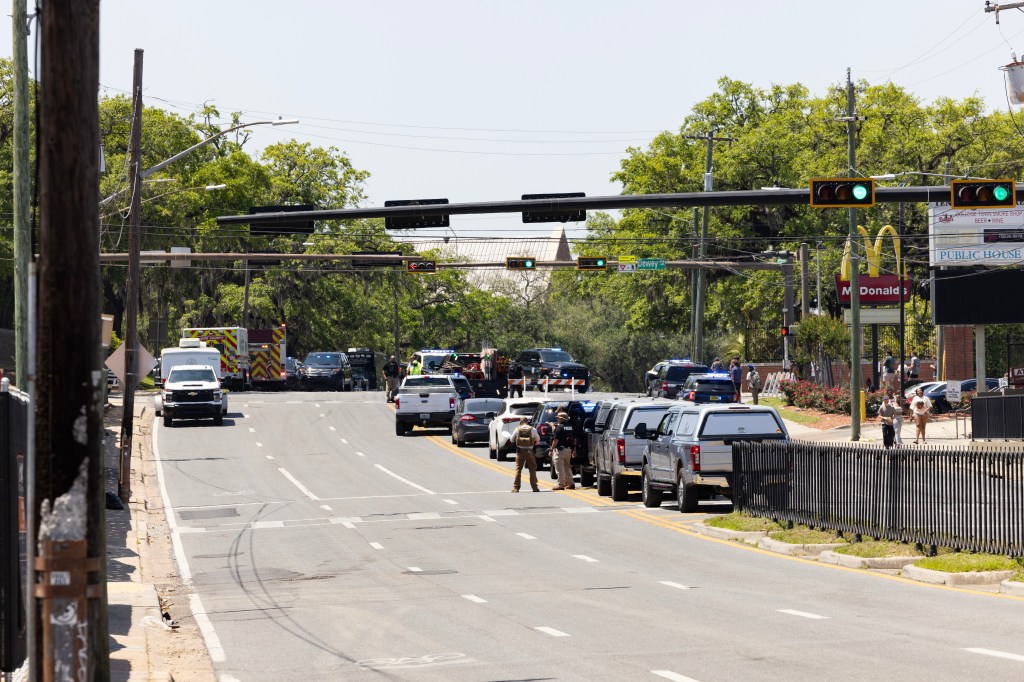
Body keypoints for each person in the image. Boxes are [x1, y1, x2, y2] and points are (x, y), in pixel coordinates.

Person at [511, 417, 540, 493]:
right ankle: (534, 487)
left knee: (518, 469)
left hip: (520, 452)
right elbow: (538, 439)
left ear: (521, 422)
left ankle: (516, 488)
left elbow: (511, 439)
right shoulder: (532, 429)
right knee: (532, 469)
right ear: (527, 422)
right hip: (530, 452)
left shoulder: (517, 429)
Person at [549, 411, 576, 490]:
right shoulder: (570, 427)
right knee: (567, 467)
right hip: (568, 450)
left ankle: (561, 484)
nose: (557, 419)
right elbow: (574, 439)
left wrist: (551, 449)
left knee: (559, 468)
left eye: (558, 418)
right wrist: (574, 449)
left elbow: (556, 440)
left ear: (561, 419)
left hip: (560, 450)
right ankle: (571, 483)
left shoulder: (559, 427)